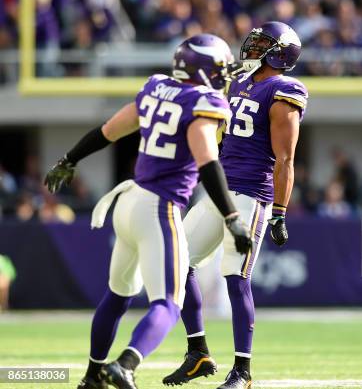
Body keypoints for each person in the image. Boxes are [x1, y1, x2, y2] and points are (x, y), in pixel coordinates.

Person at [43, 34, 252, 389]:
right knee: (169, 304)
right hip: (159, 207)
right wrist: (232, 217)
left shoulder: (156, 88)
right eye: (219, 68)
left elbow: (109, 131)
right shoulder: (204, 101)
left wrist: (69, 159)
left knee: (118, 295)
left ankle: (92, 376)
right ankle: (125, 364)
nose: (224, 75)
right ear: (204, 71)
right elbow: (207, 162)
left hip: (127, 203)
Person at [163, 21, 307, 389]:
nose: (252, 48)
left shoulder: (284, 90)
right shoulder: (240, 82)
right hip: (220, 191)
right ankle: (198, 353)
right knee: (179, 263)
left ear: (280, 52)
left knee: (234, 276)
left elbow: (286, 159)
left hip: (250, 195)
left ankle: (242, 371)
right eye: (254, 42)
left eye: (261, 44)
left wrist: (279, 212)